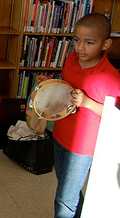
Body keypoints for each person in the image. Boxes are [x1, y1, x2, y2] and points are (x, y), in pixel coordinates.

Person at [37, 13, 120, 217]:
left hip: (83, 148)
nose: (80, 47)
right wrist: (50, 85)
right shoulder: (71, 59)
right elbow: (67, 91)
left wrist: (87, 103)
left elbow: (114, 114)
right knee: (66, 186)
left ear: (105, 44)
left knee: (65, 198)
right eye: (76, 40)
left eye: (89, 42)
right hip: (61, 134)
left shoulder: (110, 76)